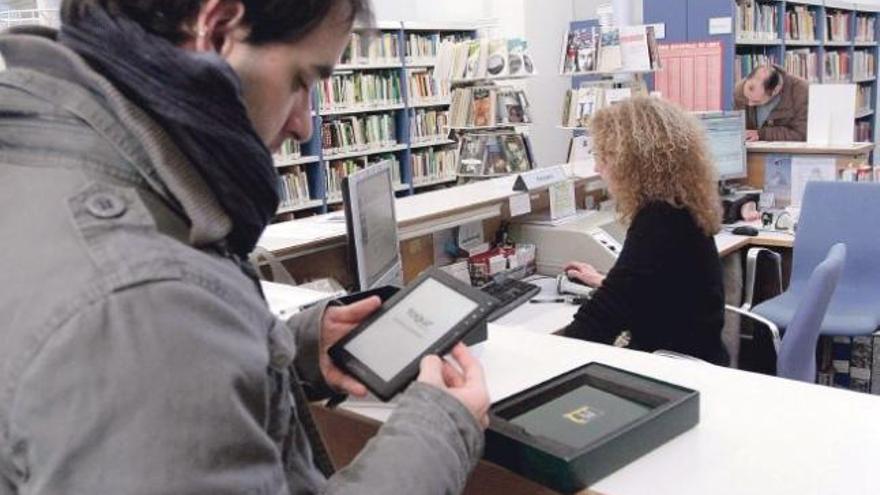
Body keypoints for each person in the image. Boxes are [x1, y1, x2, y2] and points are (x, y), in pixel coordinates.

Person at [0, 1, 490, 494]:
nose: (303, 125)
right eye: (300, 81)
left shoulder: (41, 158)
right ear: (215, 31)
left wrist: (282, 350)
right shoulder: (148, 302)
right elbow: (147, 343)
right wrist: (440, 429)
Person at [563, 97, 729, 365]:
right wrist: (606, 281)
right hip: (699, 355)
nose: (597, 167)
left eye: (603, 156)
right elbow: (650, 285)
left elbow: (603, 316)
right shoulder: (680, 204)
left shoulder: (658, 220)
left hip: (672, 368)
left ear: (630, 162)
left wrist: (548, 356)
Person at [734, 64, 809, 142]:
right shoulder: (739, 90)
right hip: (748, 150)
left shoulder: (802, 92)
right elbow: (736, 128)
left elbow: (801, 134)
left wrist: (762, 134)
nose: (749, 104)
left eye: (756, 101)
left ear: (775, 91)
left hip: (786, 151)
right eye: (746, 98)